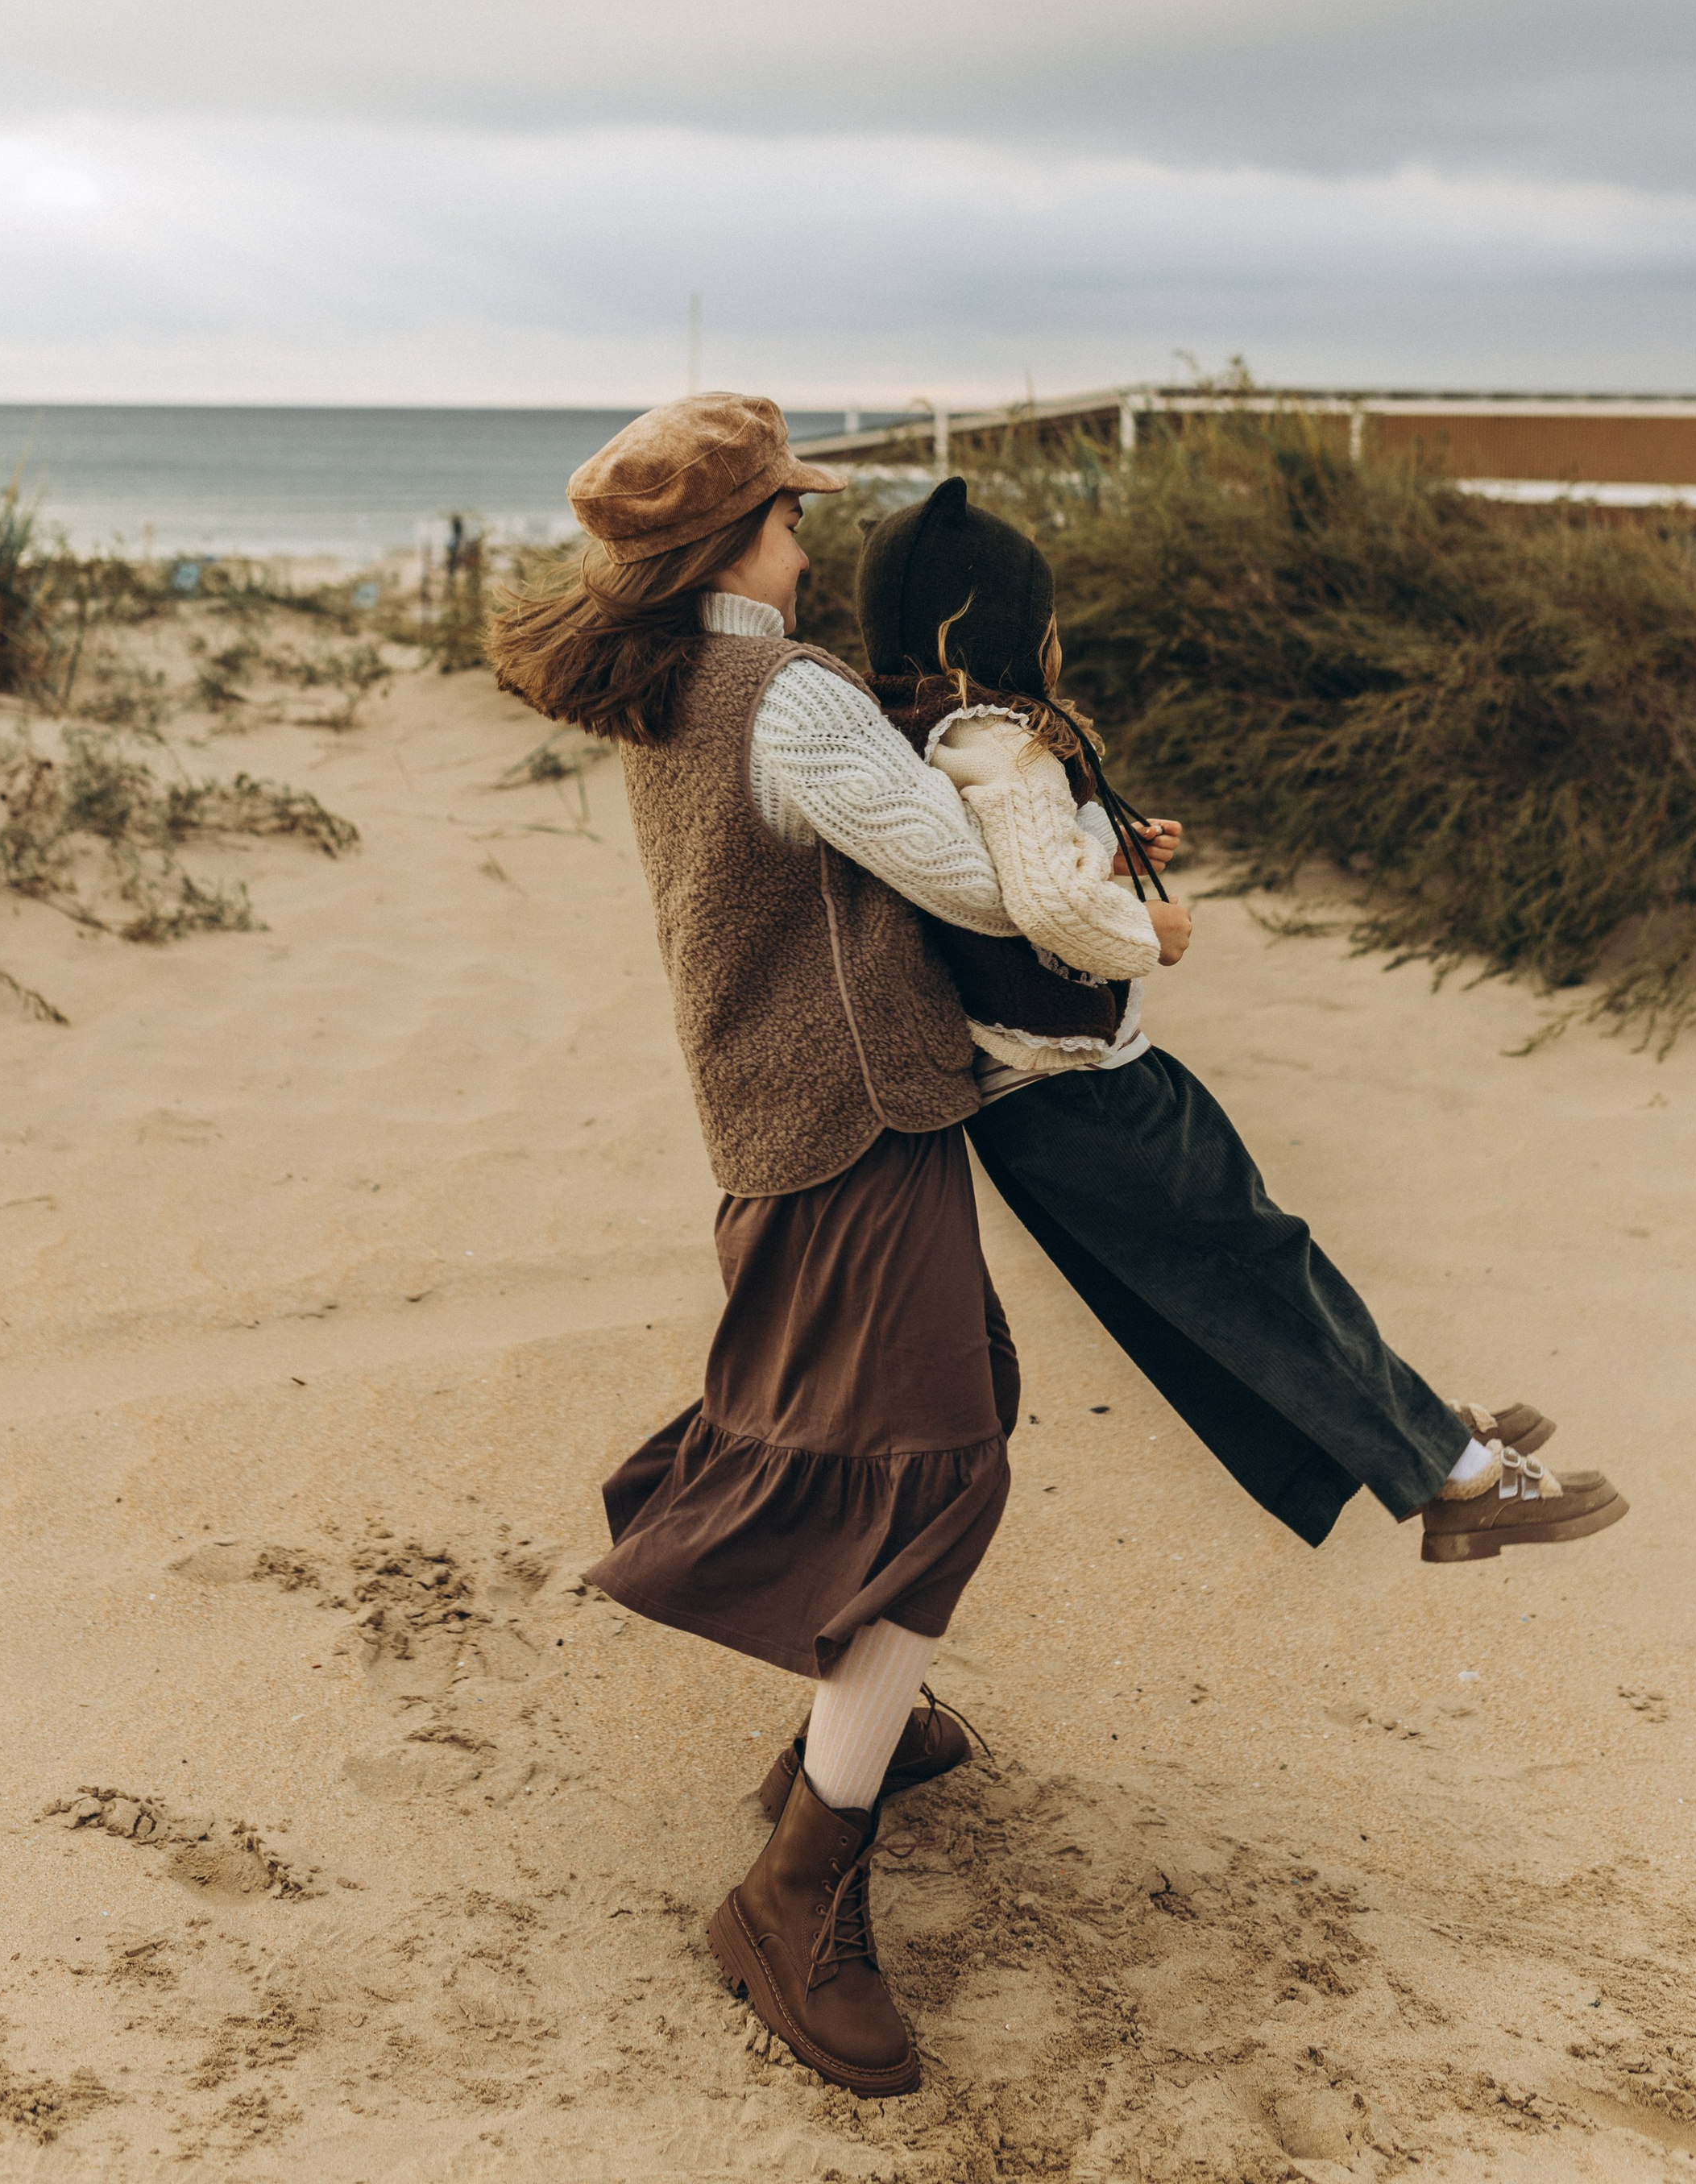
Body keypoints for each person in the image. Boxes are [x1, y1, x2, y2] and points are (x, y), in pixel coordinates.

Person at [491, 395, 1034, 2098]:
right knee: (938, 1469)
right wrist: (1082, 844)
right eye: (790, 520)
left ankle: (859, 1719)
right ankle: (794, 1898)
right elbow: (971, 882)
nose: (809, 543)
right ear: (735, 542)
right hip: (851, 1135)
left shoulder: (677, 683)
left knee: (928, 1422)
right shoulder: (786, 696)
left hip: (784, 1131)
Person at [855, 475, 1628, 1567]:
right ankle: (1454, 1479)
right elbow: (1045, 908)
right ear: (997, 624)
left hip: (1067, 1088)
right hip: (1076, 1089)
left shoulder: (923, 732)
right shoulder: (991, 737)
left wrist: (1106, 855)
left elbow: (1010, 878)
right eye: (1046, 613)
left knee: (1252, 1261)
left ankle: (1424, 1437)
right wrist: (1145, 931)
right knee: (1256, 1268)